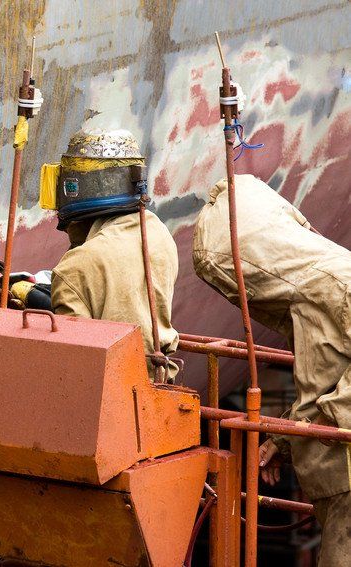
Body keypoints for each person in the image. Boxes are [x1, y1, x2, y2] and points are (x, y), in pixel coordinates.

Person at [193, 174, 351, 566]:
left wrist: (326, 420)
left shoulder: (339, 284)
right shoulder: (315, 291)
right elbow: (326, 378)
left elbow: (333, 401)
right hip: (338, 481)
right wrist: (284, 440)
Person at [45, 129, 180, 381]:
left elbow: (75, 357)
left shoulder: (73, 268)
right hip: (160, 378)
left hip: (109, 388)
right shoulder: (159, 234)